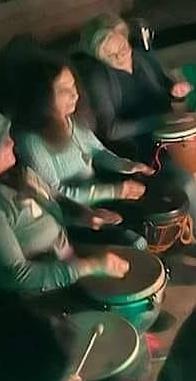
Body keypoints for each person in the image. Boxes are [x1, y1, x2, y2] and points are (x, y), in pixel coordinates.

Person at [0, 95, 129, 313]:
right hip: (40, 295)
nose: (12, 142)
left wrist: (82, 215)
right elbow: (16, 275)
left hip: (68, 257)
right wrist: (91, 266)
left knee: (133, 247)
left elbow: (53, 199)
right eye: (1, 141)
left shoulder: (13, 171)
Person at [78, 14, 196, 267]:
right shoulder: (99, 78)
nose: (121, 55)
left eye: (122, 47)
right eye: (111, 55)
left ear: (124, 37)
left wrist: (176, 91)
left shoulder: (144, 58)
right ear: (99, 57)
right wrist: (158, 121)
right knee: (186, 182)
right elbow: (111, 129)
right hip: (145, 151)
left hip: (176, 136)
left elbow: (167, 88)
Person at [11, 57, 154, 249]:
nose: (75, 94)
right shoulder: (30, 141)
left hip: (98, 198)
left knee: (149, 215)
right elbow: (54, 195)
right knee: (134, 241)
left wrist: (126, 165)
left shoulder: (69, 119)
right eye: (64, 90)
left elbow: (97, 150)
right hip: (73, 217)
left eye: (73, 85)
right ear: (41, 98)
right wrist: (115, 191)